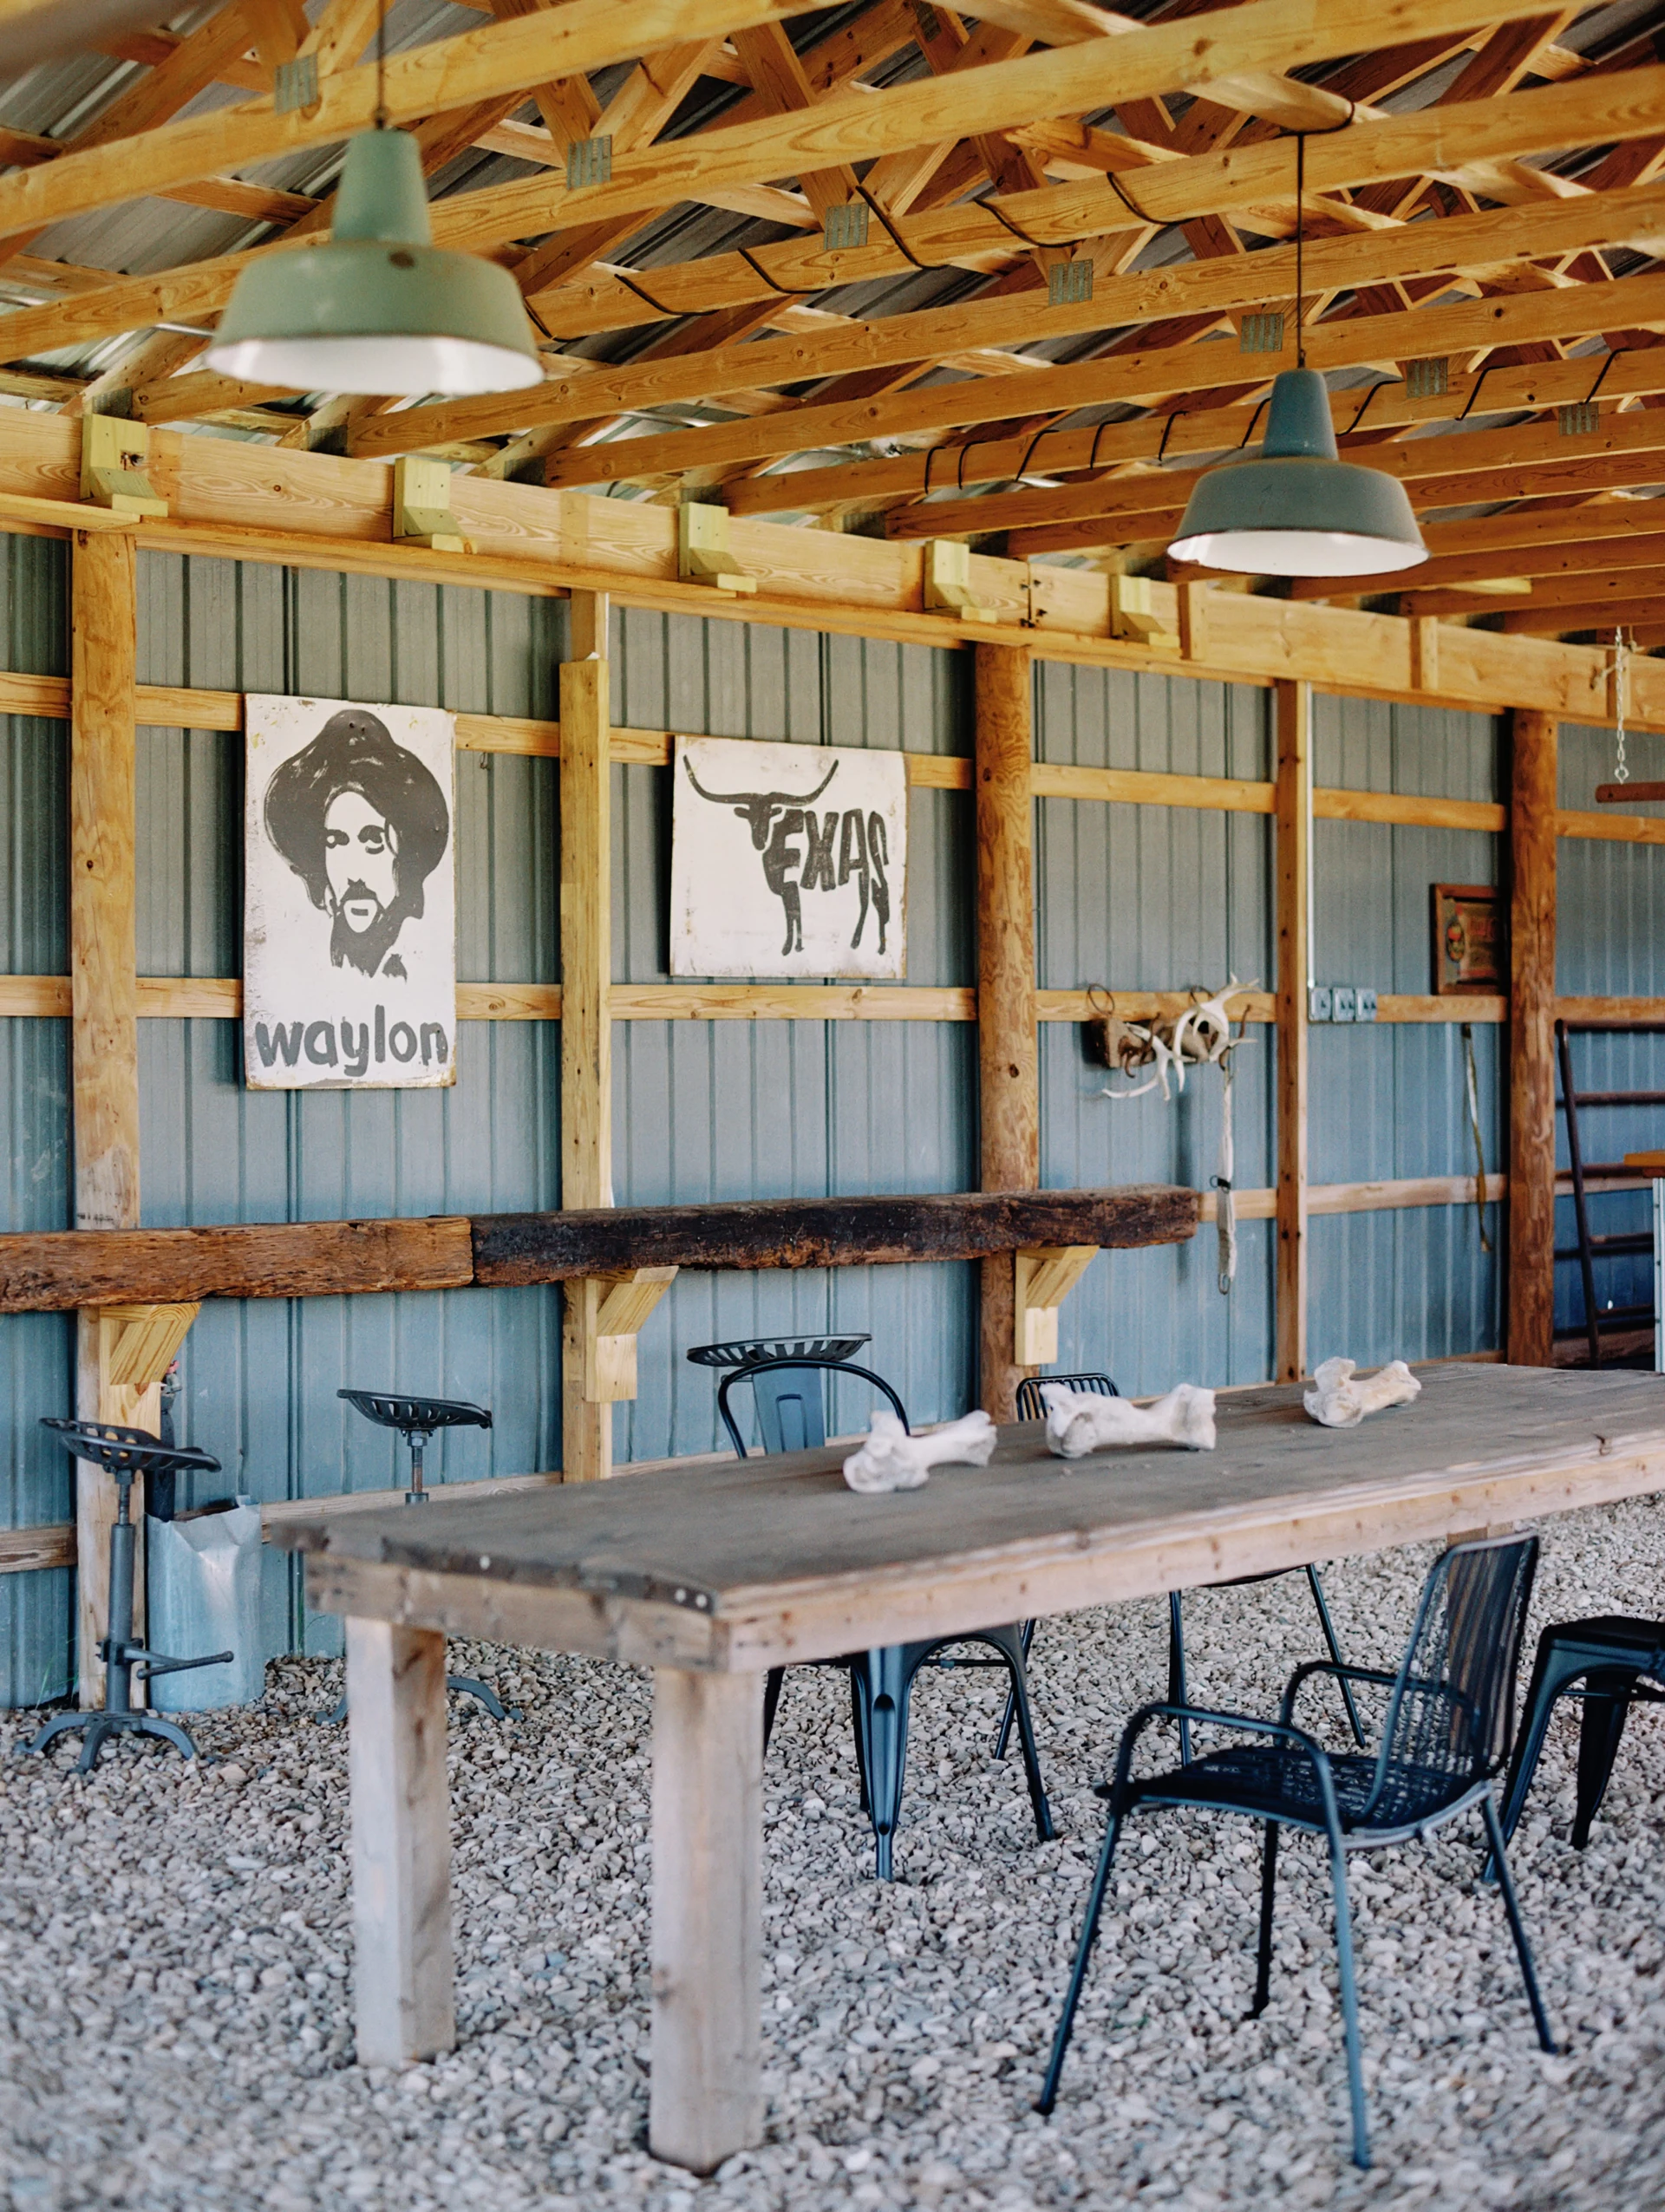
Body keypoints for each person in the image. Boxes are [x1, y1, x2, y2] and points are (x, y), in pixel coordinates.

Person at [263, 707, 449, 979]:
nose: (354, 875)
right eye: (335, 842)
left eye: (373, 841)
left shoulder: (423, 966)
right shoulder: (297, 969)